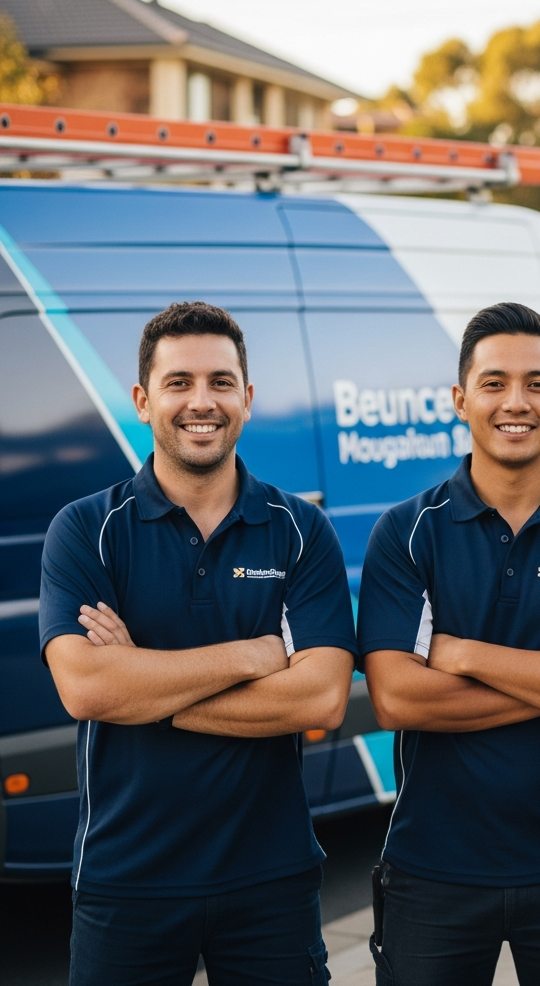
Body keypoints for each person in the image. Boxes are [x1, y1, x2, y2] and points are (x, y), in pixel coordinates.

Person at [40, 302, 356, 986]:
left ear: (247, 397)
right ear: (142, 400)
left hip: (270, 880)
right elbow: (87, 689)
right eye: (179, 382)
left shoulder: (301, 530)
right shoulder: (87, 529)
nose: (201, 402)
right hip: (127, 879)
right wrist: (255, 654)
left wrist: (142, 685)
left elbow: (324, 697)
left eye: (220, 381)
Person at [357, 302, 540, 986]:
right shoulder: (407, 532)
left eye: (536, 383)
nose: (514, 402)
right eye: (493, 383)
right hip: (431, 872)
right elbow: (397, 698)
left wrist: (462, 655)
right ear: (460, 399)